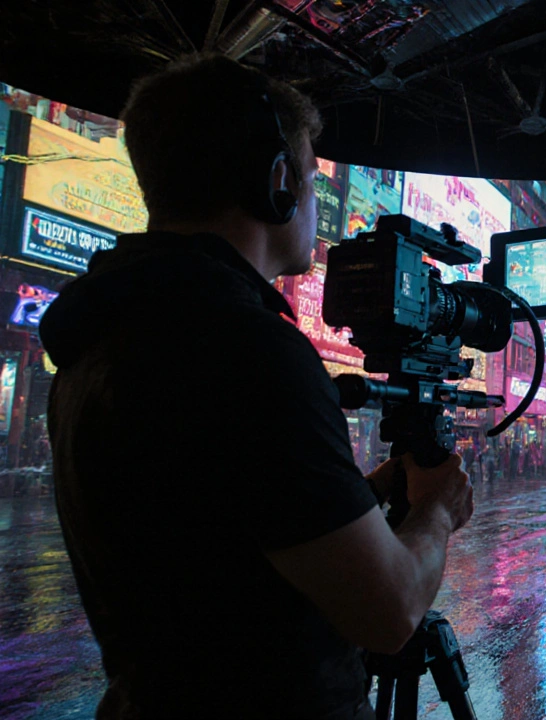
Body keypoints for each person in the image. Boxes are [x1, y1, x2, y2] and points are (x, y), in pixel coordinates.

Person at [40, 54, 474, 719]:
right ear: (278, 182)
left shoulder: (95, 334)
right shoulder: (248, 348)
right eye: (311, 178)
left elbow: (216, 535)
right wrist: (438, 510)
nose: (314, 201)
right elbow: (389, 614)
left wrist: (362, 496)